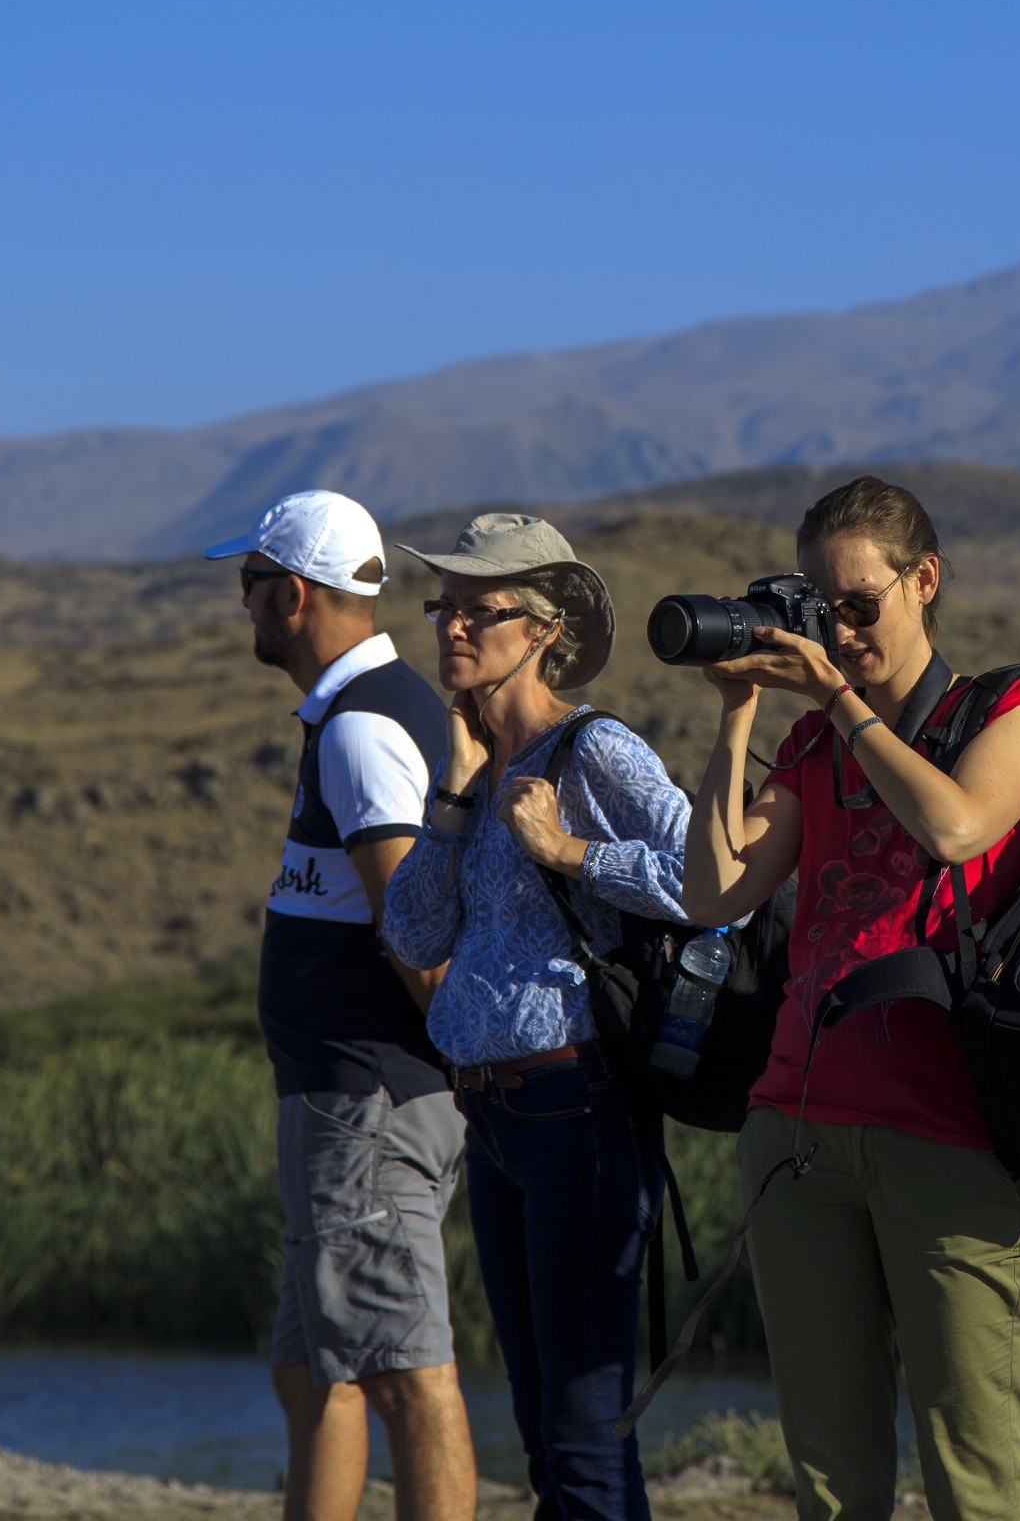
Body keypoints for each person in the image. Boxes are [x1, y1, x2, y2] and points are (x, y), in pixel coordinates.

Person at [678, 476, 1020, 1521]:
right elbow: (712, 890)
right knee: (832, 1479)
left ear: (923, 582)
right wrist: (738, 714)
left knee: (974, 1474)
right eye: (818, 606)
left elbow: (954, 828)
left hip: (950, 1137)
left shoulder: (1012, 712)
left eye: (859, 605)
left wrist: (837, 702)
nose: (838, 631)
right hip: (796, 1134)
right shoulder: (805, 747)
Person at [379, 513, 691, 1521]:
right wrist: (458, 797)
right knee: (544, 1433)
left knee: (583, 1435)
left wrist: (570, 855)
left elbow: (710, 876)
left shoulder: (597, 752)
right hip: (499, 1126)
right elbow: (416, 931)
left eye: (482, 611)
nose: (452, 629)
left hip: (580, 1114)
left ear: (544, 631)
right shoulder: (470, 765)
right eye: (445, 607)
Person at [201, 490, 475, 1521]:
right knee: (317, 1371)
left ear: (297, 595)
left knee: (404, 1370)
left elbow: (416, 934)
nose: (244, 600)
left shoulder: (362, 731)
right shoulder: (375, 711)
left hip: (367, 1099)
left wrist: (459, 1060)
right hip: (351, 1098)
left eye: (254, 582)